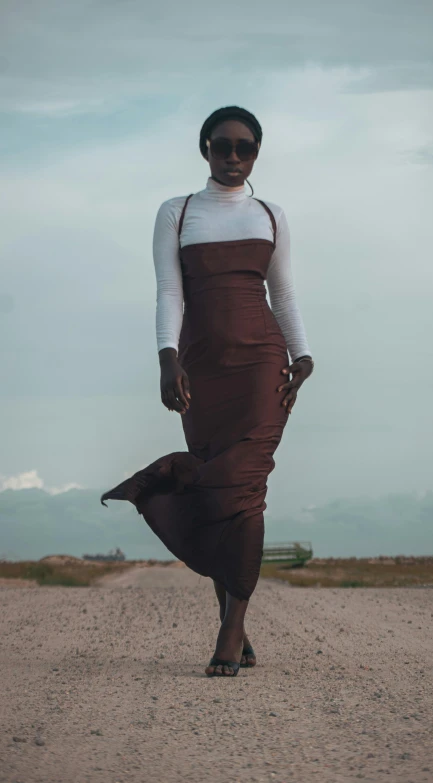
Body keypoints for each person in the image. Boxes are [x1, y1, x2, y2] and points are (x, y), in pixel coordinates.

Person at [101, 105, 314, 677]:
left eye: (246, 148)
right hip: (202, 368)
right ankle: (234, 620)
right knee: (216, 490)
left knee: (246, 487)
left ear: (256, 153)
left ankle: (230, 627)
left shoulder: (271, 214)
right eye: (224, 146)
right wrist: (167, 359)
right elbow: (168, 293)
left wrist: (304, 355)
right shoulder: (178, 212)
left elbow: (284, 293)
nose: (234, 157)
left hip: (263, 365)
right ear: (205, 148)